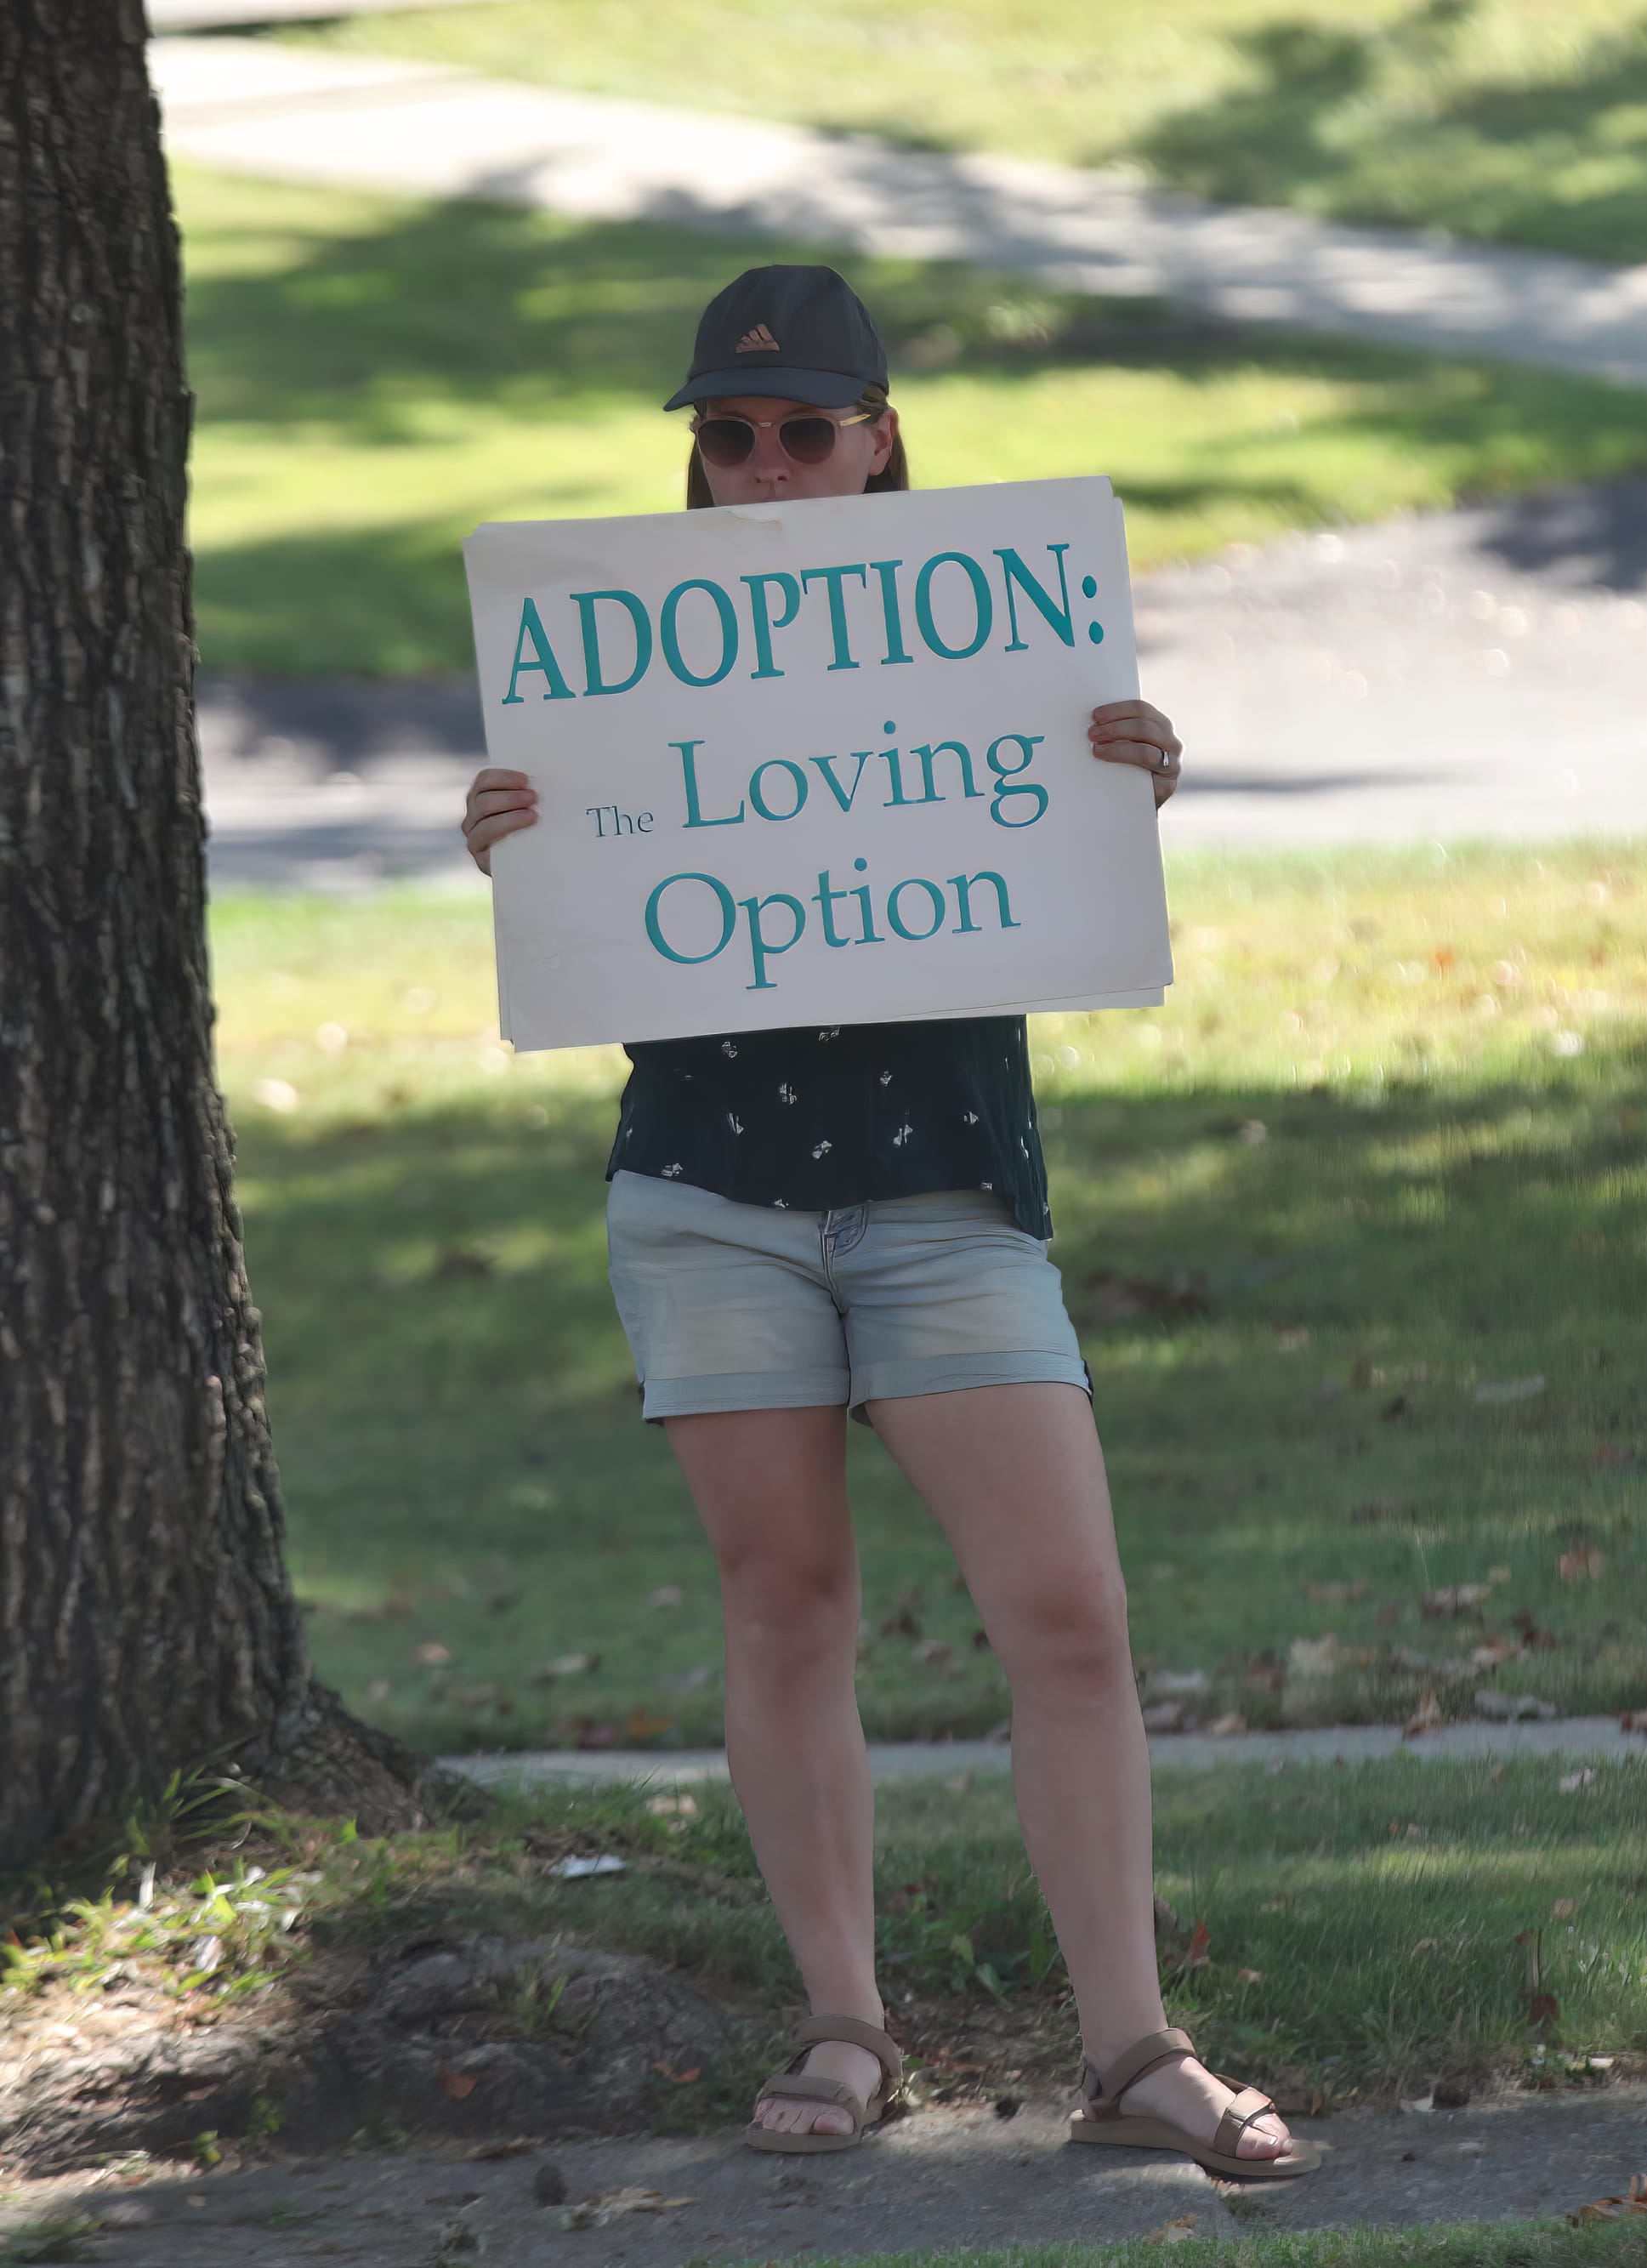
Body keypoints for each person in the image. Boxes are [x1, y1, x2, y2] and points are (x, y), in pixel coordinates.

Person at [463, 265, 1318, 2179]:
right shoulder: (609, 663)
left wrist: (1118, 781)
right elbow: (606, 892)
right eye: (729, 433)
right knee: (785, 1607)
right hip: (709, 1191)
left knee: (1069, 1614)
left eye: (802, 429)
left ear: (879, 443)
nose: (763, 464)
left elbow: (1027, 850)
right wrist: (523, 835)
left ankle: (1134, 2048)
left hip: (946, 1191)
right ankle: (844, 2023)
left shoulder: (996, 636)